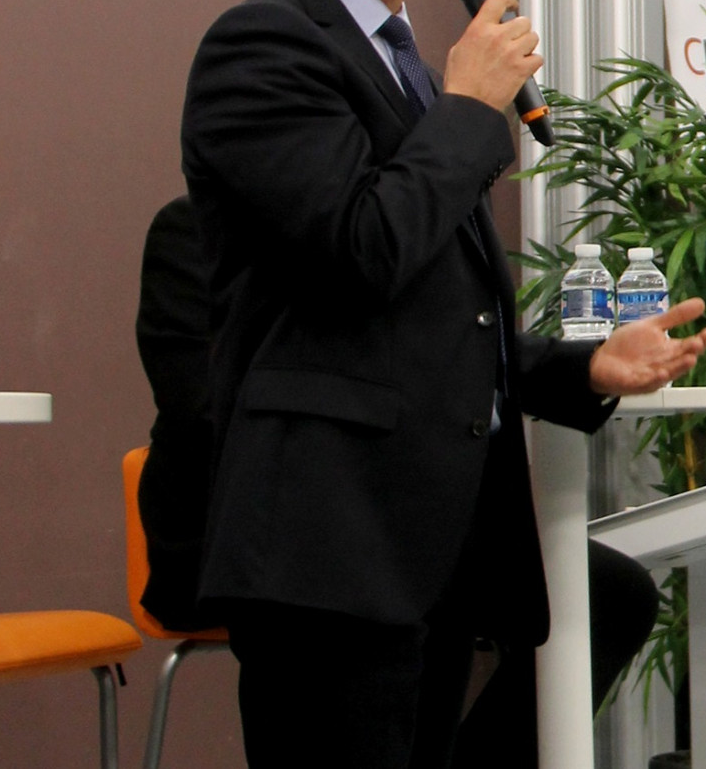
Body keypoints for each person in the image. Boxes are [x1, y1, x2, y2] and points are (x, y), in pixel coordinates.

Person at [179, 0, 706, 769]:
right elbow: (362, 252)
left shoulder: (406, 60)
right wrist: (469, 109)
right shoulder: (262, 46)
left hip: (430, 540)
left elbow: (433, 322)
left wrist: (580, 368)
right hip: (328, 541)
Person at [135, 194, 661, 765]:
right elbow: (202, 409)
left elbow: (479, 353)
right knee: (382, 583)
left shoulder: (416, 237)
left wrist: (588, 368)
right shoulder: (203, 228)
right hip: (264, 523)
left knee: (607, 590)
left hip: (408, 510)